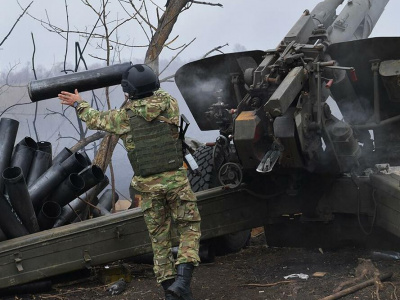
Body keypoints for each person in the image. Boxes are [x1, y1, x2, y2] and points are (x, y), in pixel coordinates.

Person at [58, 64, 201, 300]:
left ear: (129, 92)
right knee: (189, 229)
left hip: (148, 187)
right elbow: (158, 92)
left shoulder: (123, 118)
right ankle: (183, 282)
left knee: (159, 239)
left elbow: (94, 119)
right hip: (176, 182)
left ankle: (171, 292)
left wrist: (77, 102)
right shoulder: (170, 104)